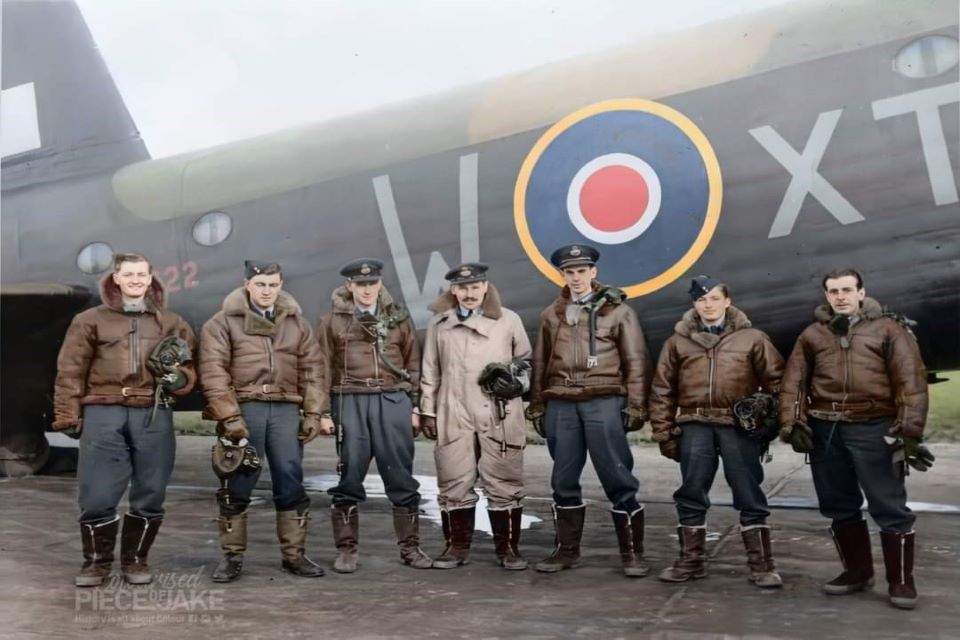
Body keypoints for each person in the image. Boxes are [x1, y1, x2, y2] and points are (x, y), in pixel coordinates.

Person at [779, 268, 931, 609]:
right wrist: (793, 424)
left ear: (861, 293)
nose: (840, 297)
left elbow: (911, 382)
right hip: (825, 428)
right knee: (838, 504)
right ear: (827, 296)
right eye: (833, 291)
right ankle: (857, 572)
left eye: (847, 290)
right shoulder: (812, 336)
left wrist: (908, 432)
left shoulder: (889, 330)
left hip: (874, 426)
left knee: (889, 505)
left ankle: (902, 582)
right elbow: (794, 383)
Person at [53, 252, 197, 586]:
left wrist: (179, 379)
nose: (135, 280)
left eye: (141, 275)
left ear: (151, 279)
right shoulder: (89, 320)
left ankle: (136, 562)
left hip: (153, 411)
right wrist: (67, 414)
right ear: (116, 278)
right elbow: (69, 371)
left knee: (151, 491)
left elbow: (190, 371)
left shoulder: (172, 323)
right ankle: (96, 564)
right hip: (104, 409)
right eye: (128, 274)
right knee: (97, 494)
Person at [526, 244, 652, 577]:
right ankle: (566, 551)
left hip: (603, 400)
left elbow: (636, 360)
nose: (576, 278)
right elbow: (541, 362)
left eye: (582, 271)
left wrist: (636, 405)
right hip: (562, 403)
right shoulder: (551, 315)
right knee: (563, 479)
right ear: (562, 275)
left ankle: (632, 554)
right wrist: (538, 404)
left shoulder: (619, 311)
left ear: (593, 272)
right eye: (570, 272)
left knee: (618, 477)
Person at [650, 276, 784, 588]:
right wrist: (663, 431)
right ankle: (691, 560)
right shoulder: (677, 343)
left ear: (727, 301)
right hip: (694, 426)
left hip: (737, 428)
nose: (708, 305)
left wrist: (773, 418)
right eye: (701, 300)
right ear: (694, 305)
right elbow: (661, 390)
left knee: (749, 493)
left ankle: (762, 565)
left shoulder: (752, 338)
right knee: (691, 492)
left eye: (714, 298)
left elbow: (778, 380)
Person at [200, 260, 326, 582]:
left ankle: (294, 556)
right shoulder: (222, 323)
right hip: (245, 410)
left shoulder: (298, 324)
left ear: (281, 285)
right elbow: (214, 372)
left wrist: (312, 412)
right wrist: (230, 416)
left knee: (291, 479)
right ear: (247, 285)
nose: (267, 291)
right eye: (260, 284)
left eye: (273, 284)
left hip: (285, 410)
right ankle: (232, 557)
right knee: (237, 481)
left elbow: (313, 370)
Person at [317, 258, 432, 572]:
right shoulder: (332, 321)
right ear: (350, 286)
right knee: (349, 475)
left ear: (379, 284)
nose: (367, 290)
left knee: (401, 477)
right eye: (360, 284)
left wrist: (415, 406)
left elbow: (413, 363)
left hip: (392, 401)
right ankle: (347, 550)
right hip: (351, 400)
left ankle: (410, 549)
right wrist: (323, 412)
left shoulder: (398, 319)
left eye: (372, 283)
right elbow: (323, 368)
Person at [418, 263, 532, 570]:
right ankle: (456, 548)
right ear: (453, 291)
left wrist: (515, 382)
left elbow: (525, 360)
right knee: (453, 480)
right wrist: (427, 411)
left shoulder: (508, 320)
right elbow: (430, 369)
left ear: (485, 287)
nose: (470, 294)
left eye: (475, 287)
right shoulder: (439, 324)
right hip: (453, 410)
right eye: (463, 288)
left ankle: (508, 549)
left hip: (499, 411)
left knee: (504, 480)